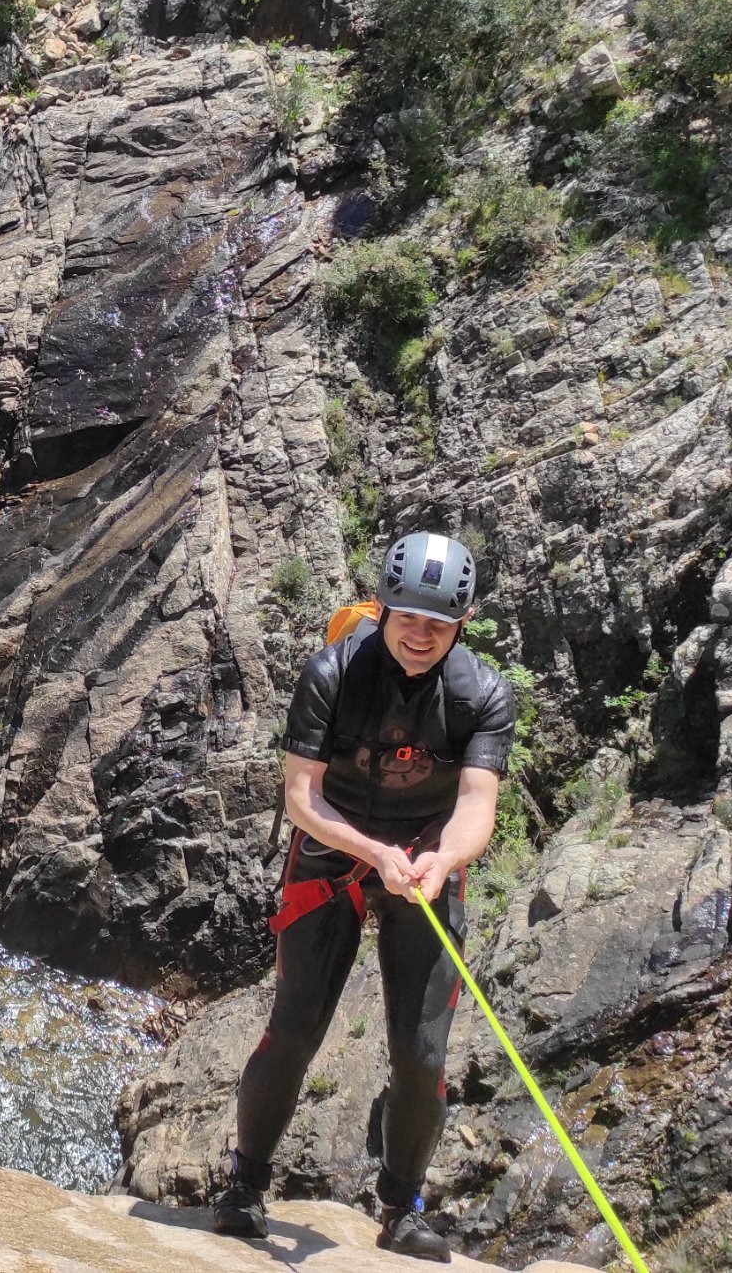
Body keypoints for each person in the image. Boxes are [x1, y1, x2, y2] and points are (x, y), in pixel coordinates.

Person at [213, 532, 514, 1264]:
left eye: (437, 624)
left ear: (462, 624)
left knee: (421, 1052)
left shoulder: (481, 694)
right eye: (407, 617)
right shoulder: (332, 674)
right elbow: (302, 799)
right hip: (330, 855)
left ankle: (402, 1207)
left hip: (424, 865)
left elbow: (477, 804)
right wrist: (375, 853)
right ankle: (246, 1187)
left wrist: (442, 858)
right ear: (380, 608)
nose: (420, 635)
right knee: (295, 1028)